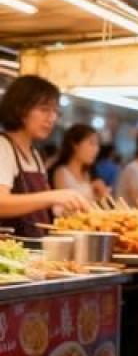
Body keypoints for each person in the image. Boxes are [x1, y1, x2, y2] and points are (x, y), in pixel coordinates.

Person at [0, 75, 89, 236]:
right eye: (44, 109)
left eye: (56, 111)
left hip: (36, 250)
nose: (52, 118)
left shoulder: (34, 154)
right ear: (20, 109)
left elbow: (42, 205)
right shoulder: (3, 146)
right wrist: (54, 196)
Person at [51, 124, 110, 202]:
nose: (96, 149)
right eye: (91, 143)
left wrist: (102, 195)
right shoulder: (61, 173)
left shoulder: (89, 173)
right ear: (75, 145)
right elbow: (62, 205)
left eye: (97, 145)